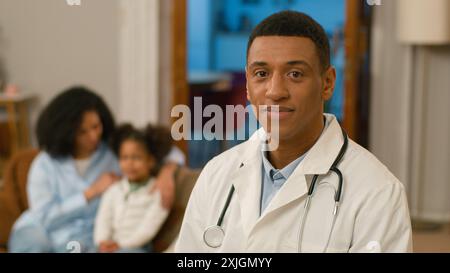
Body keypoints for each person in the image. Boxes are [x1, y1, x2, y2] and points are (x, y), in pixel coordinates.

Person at [175, 11, 412, 253]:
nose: (275, 91)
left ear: (328, 83)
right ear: (247, 84)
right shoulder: (216, 174)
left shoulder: (378, 193)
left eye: (295, 74)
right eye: (261, 74)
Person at [8, 86, 183, 253]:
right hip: (39, 229)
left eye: (95, 126)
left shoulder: (113, 152)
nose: (93, 136)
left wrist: (166, 173)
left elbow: (171, 153)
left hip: (82, 238)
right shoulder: (44, 163)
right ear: (66, 132)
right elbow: (45, 218)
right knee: (35, 245)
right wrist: (90, 193)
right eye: (82, 132)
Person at [94, 124, 173, 253]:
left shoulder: (158, 191)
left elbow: (149, 228)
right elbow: (103, 220)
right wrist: (102, 241)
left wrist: (121, 245)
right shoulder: (113, 190)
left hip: (137, 247)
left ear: (150, 161)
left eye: (136, 158)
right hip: (109, 247)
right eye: (124, 158)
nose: (129, 163)